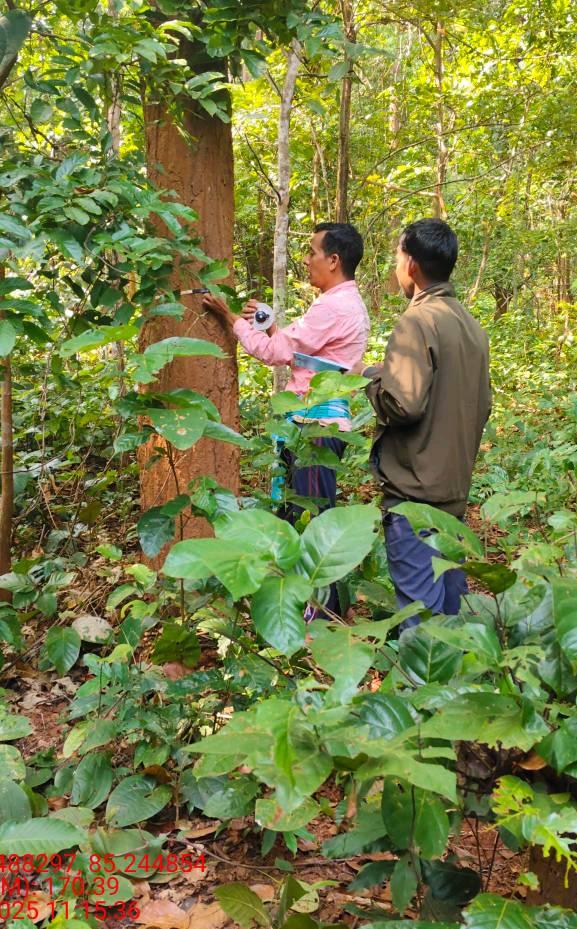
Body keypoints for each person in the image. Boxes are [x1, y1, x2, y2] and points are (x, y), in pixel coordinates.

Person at [202, 222, 370, 616]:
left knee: (312, 523)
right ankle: (321, 608)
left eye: (312, 252)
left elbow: (275, 353)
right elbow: (305, 353)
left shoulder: (332, 306)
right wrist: (270, 324)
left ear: (333, 260)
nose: (306, 260)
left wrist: (230, 318)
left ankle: (318, 615)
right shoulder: (344, 302)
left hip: (316, 427)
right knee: (309, 516)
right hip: (318, 423)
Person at [358, 218, 491, 630]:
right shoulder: (470, 324)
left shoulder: (417, 321)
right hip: (453, 492)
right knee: (452, 615)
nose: (396, 266)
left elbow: (403, 404)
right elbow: (479, 403)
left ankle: (422, 675)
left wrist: (372, 380)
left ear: (411, 264)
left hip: (415, 497)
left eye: (397, 257)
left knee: (421, 623)